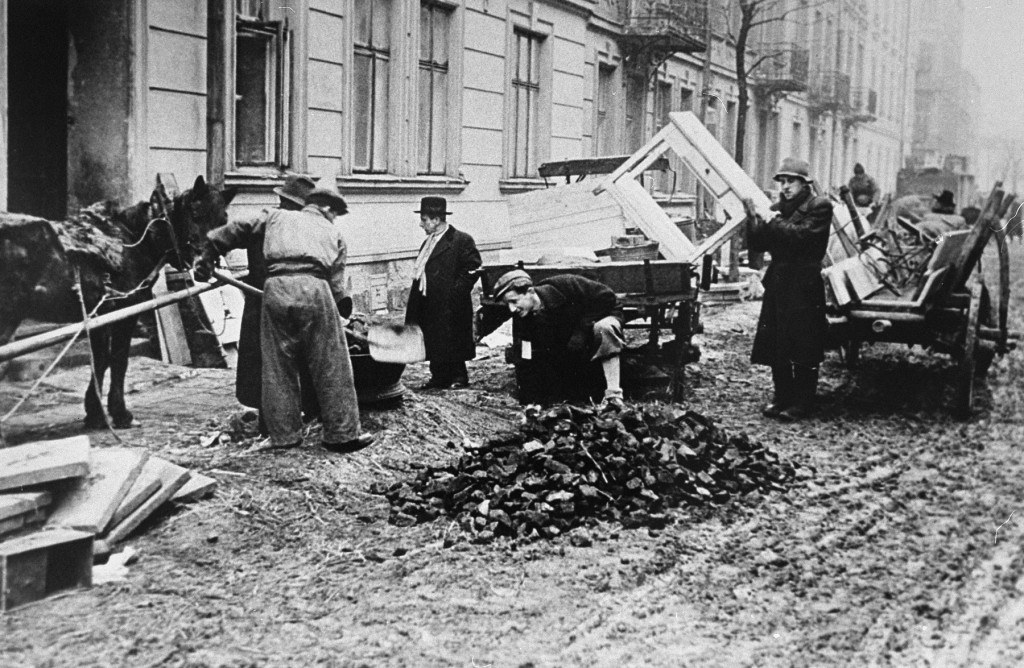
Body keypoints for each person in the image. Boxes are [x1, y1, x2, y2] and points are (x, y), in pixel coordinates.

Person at [198, 185, 372, 452]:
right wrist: (341, 316)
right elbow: (337, 286)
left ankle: (284, 436)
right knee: (332, 365)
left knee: (277, 366)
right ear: (326, 209)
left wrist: (209, 253)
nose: (334, 218)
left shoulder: (274, 217)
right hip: (314, 289)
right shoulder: (333, 232)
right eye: (335, 213)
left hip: (275, 290)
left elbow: (236, 229)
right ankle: (342, 435)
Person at [194, 174, 322, 433]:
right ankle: (270, 421)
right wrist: (207, 259)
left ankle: (306, 414)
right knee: (266, 365)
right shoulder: (264, 222)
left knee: (302, 361)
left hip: (298, 304)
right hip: (264, 304)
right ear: (284, 202)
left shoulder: (311, 228)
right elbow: (226, 234)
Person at [745, 157, 832, 421]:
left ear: (804, 183)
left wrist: (771, 220)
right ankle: (781, 396)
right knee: (777, 342)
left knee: (804, 343)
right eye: (781, 181)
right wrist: (752, 219)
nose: (785, 187)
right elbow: (759, 244)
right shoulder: (776, 209)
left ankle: (802, 401)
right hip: (779, 281)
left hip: (805, 283)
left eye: (790, 181)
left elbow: (802, 237)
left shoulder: (820, 206)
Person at [491, 269, 625, 408]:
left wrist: (582, 329)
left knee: (603, 329)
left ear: (530, 292)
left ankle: (613, 396)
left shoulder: (566, 284)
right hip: (573, 336)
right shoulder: (522, 319)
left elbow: (607, 297)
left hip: (602, 315)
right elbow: (526, 358)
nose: (512, 309)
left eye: (514, 301)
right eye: (508, 304)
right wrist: (530, 402)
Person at [404, 196, 482, 389]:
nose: (421, 224)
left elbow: (473, 268)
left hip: (450, 304)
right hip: (430, 302)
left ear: (436, 220)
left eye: (424, 220)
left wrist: (455, 293)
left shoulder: (461, 240)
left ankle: (458, 377)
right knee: (434, 339)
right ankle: (438, 377)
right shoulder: (428, 243)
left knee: (452, 338)